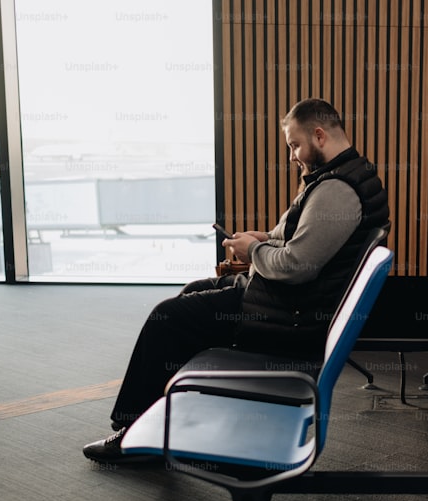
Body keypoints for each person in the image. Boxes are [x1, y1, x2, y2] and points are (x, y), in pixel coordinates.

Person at [83, 98, 389, 462]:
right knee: (192, 295)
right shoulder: (344, 175)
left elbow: (297, 265)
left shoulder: (336, 190)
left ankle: (131, 433)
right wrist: (260, 239)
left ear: (319, 135)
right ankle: (168, 417)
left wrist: (253, 254)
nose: (292, 155)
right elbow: (292, 239)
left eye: (294, 145)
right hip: (285, 303)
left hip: (288, 319)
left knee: (166, 319)